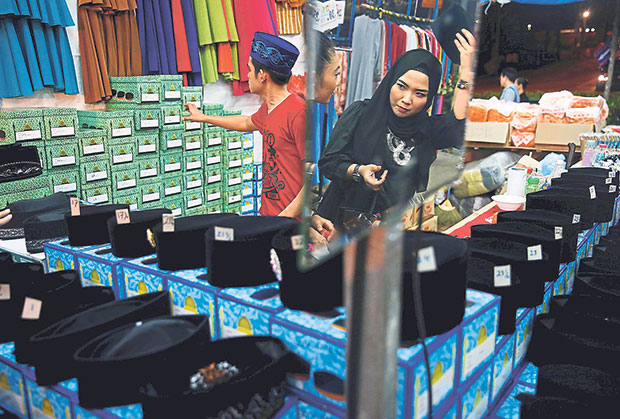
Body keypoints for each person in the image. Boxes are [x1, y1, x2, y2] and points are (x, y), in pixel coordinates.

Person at [313, 29, 476, 232]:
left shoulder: (426, 129)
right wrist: (358, 171)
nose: (407, 99)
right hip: (339, 221)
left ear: (429, 98)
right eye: (401, 86)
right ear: (391, 81)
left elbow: (457, 127)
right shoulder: (361, 114)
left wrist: (466, 76)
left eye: (419, 94)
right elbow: (330, 162)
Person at [184, 32, 305, 218]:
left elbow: (313, 176)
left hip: (289, 223)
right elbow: (247, 122)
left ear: (262, 76)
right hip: (268, 215)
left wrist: (285, 217)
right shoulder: (269, 109)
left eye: (250, 69)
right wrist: (205, 118)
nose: (247, 75)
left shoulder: (298, 112)